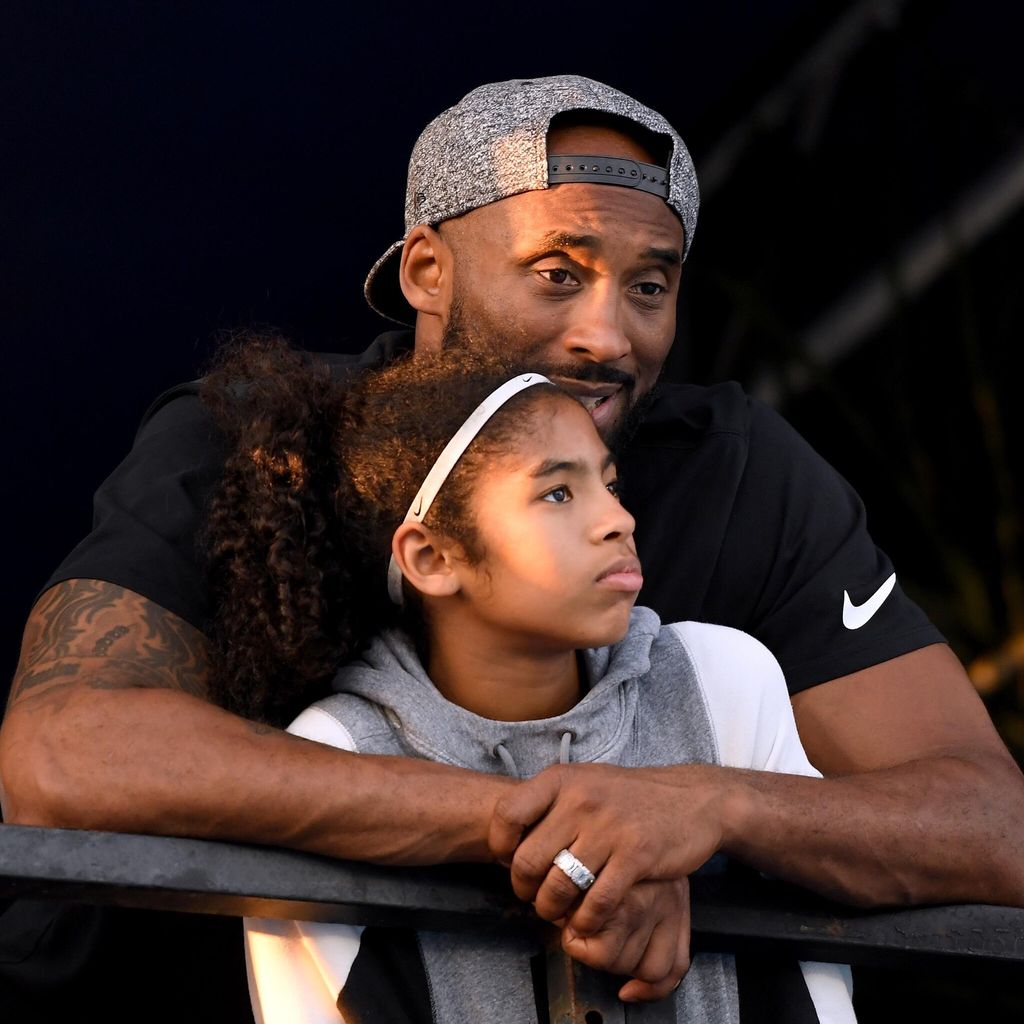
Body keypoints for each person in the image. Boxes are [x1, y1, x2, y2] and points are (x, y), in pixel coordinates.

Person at [2, 74, 1022, 1009]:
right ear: (427, 269)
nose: (608, 334)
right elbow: (65, 754)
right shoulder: (258, 439)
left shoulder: (738, 473)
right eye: (555, 272)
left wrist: (706, 805)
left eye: (649, 287)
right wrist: (551, 827)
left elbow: (994, 828)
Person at [210, 337, 855, 1023]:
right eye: (556, 492)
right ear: (431, 556)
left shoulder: (719, 680)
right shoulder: (338, 749)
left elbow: (817, 980)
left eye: (609, 484)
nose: (618, 520)